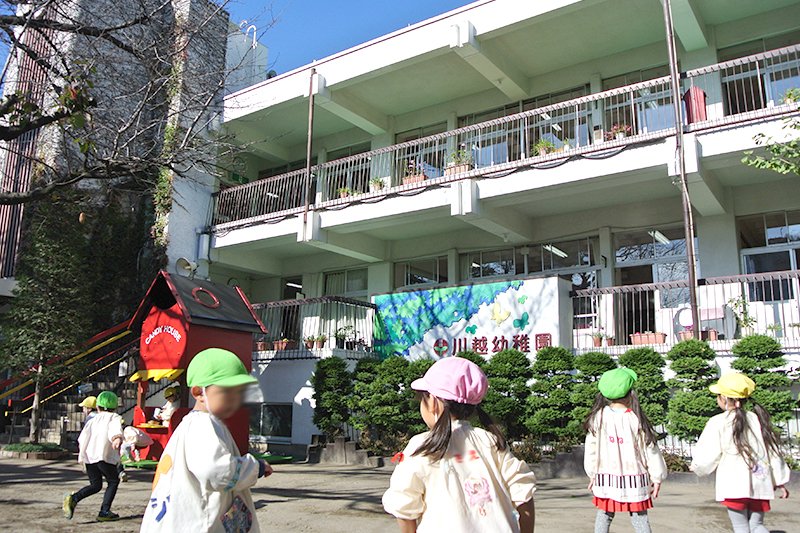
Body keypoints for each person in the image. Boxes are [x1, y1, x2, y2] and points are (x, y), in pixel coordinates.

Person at [382, 357, 536, 533]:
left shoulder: (421, 447)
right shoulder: (490, 441)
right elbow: (523, 492)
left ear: (432, 402)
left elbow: (404, 507)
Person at [140, 348, 272, 532]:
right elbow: (217, 471)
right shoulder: (203, 424)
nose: (235, 400)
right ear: (199, 393)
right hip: (199, 523)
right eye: (228, 392)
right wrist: (255, 467)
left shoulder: (195, 423)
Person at [690, 372, 790, 533]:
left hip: (734, 484)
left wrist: (697, 466)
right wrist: (780, 480)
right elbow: (773, 452)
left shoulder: (718, 422)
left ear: (723, 398)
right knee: (756, 526)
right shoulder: (758, 419)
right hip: (761, 482)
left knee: (741, 527)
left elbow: (708, 453)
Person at [584, 367, 667, 533]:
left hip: (605, 477)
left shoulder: (597, 418)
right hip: (634, 478)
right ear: (631, 393)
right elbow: (650, 449)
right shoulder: (635, 418)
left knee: (604, 514)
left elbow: (591, 449)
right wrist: (657, 477)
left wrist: (592, 474)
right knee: (639, 517)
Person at [63, 391, 124, 522]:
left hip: (89, 457)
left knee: (95, 485)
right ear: (115, 407)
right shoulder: (114, 417)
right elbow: (115, 429)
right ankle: (104, 511)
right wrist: (117, 438)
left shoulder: (92, 420)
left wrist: (82, 456)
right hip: (104, 456)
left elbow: (82, 438)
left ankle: (74, 498)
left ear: (98, 406)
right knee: (113, 481)